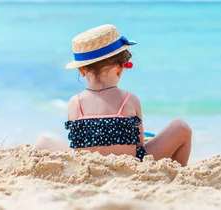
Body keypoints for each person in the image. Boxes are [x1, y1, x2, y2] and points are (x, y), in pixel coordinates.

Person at [35, 24, 192, 166]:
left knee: (42, 142)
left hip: (85, 164)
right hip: (132, 165)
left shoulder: (74, 103)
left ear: (82, 71)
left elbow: (76, 144)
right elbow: (138, 145)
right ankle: (175, 176)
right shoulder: (129, 100)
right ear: (120, 68)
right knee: (181, 127)